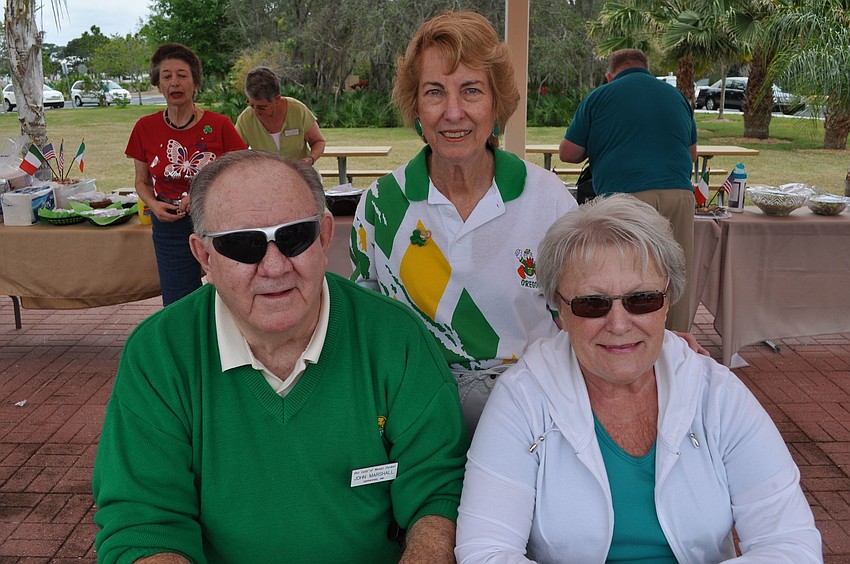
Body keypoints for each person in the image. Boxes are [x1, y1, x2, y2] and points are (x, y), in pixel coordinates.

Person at [92, 151, 468, 563]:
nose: (274, 266)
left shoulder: (395, 337)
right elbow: (144, 523)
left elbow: (437, 487)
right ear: (204, 257)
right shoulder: (159, 354)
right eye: (242, 244)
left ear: (325, 237)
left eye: (294, 237)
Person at [455, 194, 822, 563]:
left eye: (641, 299)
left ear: (667, 303)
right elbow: (485, 551)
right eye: (592, 304)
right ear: (559, 312)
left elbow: (791, 544)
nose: (618, 324)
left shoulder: (716, 394)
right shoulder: (522, 399)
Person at [349, 11, 578, 434]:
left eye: (471, 91)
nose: (453, 113)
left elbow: (587, 310)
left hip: (532, 411)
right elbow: (364, 325)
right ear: (416, 106)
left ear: (496, 104)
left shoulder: (549, 202)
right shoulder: (381, 207)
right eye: (435, 92)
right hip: (417, 414)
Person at [559, 48, 698, 333]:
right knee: (677, 270)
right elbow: (693, 154)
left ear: (611, 74)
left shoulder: (600, 96)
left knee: (627, 272)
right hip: (679, 193)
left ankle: (631, 337)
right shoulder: (675, 96)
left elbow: (568, 153)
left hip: (626, 196)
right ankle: (678, 340)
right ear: (646, 69)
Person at [126, 43, 247, 306]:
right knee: (178, 299)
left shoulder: (219, 125)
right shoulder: (145, 128)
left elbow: (239, 172)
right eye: (166, 76)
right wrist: (152, 204)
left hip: (217, 222)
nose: (175, 82)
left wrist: (202, 196)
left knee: (233, 290)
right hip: (169, 225)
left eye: (182, 75)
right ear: (158, 85)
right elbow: (142, 181)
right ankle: (185, 345)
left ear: (195, 83)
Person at [235, 66, 325, 165]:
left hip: (300, 174)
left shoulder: (298, 110)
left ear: (277, 99)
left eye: (262, 107)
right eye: (251, 104)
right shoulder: (245, 119)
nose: (255, 111)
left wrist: (310, 159)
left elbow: (318, 141)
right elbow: (234, 154)